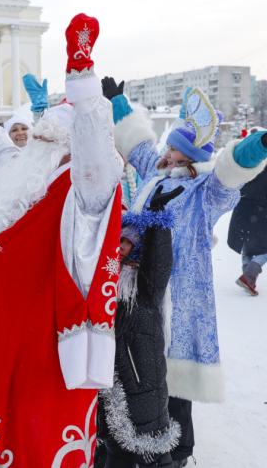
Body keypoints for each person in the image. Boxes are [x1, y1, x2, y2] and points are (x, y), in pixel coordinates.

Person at [0, 15, 124, 468]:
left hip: (46, 341)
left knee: (38, 435)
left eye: (45, 134)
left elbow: (96, 145)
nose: (32, 137)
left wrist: (82, 81)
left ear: (66, 140)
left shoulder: (84, 185)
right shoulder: (28, 173)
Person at [108, 77, 267, 466]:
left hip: (179, 288)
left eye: (177, 152)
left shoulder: (204, 193)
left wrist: (258, 144)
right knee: (137, 362)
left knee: (174, 370)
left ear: (190, 157)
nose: (167, 155)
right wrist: (117, 101)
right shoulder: (154, 171)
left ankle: (180, 450)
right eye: (169, 149)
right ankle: (131, 434)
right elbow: (138, 143)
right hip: (135, 283)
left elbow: (230, 172)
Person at [95, 185, 184, 468]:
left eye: (126, 241)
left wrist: (157, 221)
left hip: (142, 376)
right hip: (109, 378)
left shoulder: (144, 288)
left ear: (139, 248)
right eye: (116, 240)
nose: (119, 246)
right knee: (114, 447)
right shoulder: (104, 280)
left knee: (152, 447)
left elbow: (159, 264)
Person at [226, 130, 267, 296]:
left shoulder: (243, 170)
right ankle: (249, 275)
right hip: (261, 213)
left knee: (247, 246)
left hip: (240, 212)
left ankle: (249, 278)